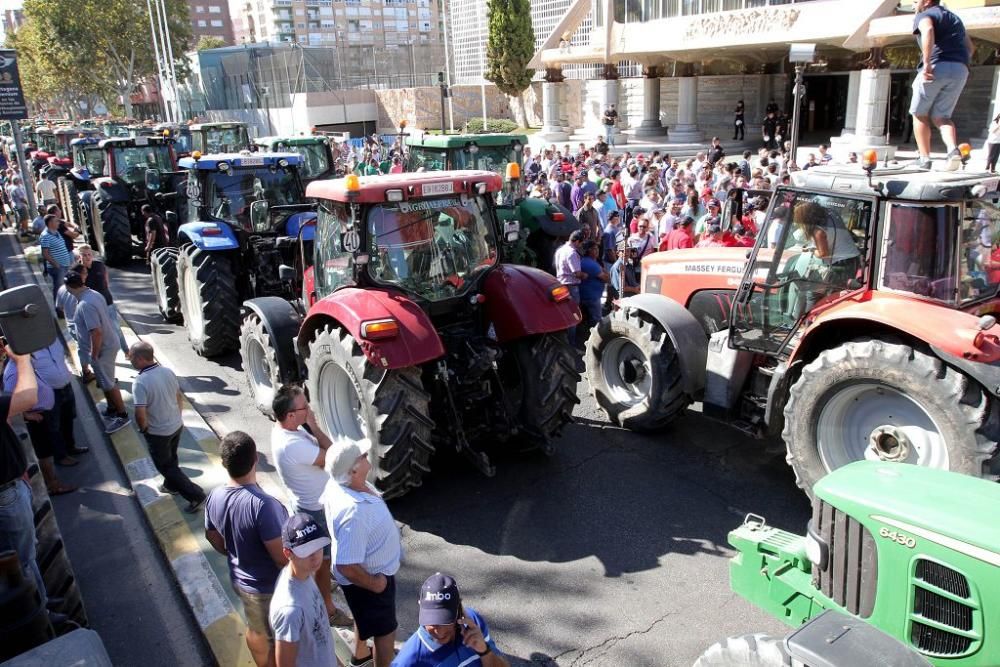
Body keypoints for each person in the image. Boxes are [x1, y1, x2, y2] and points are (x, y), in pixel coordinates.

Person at [271, 385, 353, 627]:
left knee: (319, 561)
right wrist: (315, 427)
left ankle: (322, 585)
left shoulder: (289, 431)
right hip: (315, 511)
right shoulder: (293, 444)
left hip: (308, 505)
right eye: (304, 407)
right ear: (290, 415)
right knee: (323, 560)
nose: (309, 410)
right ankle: (328, 610)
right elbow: (334, 457)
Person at [205, 431, 290, 667]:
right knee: (276, 640)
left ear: (224, 463)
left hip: (240, 581)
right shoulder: (264, 507)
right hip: (267, 588)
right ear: (255, 460)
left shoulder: (215, 497)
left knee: (257, 629)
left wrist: (236, 552)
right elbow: (282, 558)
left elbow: (212, 536)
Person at [322, 439, 401, 667]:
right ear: (353, 470)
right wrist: (376, 584)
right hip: (371, 581)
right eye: (362, 456)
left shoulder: (339, 483)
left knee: (363, 618)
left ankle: (360, 655)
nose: (367, 456)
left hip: (368, 578)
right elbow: (345, 565)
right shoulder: (353, 513)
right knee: (385, 633)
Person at [130, 341, 206, 513]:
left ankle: (196, 495)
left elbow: (140, 413)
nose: (129, 359)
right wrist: (177, 417)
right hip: (176, 425)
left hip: (158, 432)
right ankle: (171, 485)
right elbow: (178, 396)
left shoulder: (140, 382)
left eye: (131, 356)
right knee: (171, 459)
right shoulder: (167, 371)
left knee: (164, 466)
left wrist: (143, 428)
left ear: (141, 359)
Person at [0, 345, 49, 607]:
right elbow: (28, 396)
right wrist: (21, 360)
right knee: (24, 560)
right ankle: (39, 611)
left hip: (10, 486)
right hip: (5, 496)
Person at [390, 572, 509, 667]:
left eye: (445, 620)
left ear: (459, 610)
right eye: (432, 621)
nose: (439, 632)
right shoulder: (409, 660)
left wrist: (484, 651)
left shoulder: (474, 622)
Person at [2, 349, 76, 496]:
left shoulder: (25, 367)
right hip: (37, 420)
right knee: (44, 455)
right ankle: (53, 485)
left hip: (43, 416)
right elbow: (10, 400)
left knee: (48, 451)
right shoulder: (14, 371)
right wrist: (27, 415)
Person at [910, 0, 973, 171]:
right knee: (942, 116)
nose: (913, 3)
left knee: (919, 114)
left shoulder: (925, 14)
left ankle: (924, 159)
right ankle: (953, 151)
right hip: (960, 69)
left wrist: (927, 62)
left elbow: (928, 29)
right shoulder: (955, 19)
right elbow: (970, 47)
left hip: (936, 66)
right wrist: (961, 64)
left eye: (916, 0)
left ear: (927, 1)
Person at [270, 513, 338, 667]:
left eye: (318, 547)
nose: (315, 557)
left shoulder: (304, 573)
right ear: (288, 553)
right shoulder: (289, 611)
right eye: (306, 551)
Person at [65, 272, 130, 433]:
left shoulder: (85, 305)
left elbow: (96, 332)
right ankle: (112, 409)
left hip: (102, 349)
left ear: (69, 287)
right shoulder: (94, 294)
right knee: (104, 380)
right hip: (109, 343)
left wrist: (94, 355)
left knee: (108, 382)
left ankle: (122, 416)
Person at [77, 247, 129, 356]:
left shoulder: (99, 265)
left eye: (89, 254)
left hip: (107, 302)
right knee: (96, 331)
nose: (87, 257)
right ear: (79, 257)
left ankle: (127, 352)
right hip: (92, 306)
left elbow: (106, 279)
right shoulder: (78, 270)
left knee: (116, 328)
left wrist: (105, 288)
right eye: (84, 255)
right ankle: (99, 353)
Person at [554, 230, 586, 345]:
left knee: (563, 313)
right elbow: (577, 273)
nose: (581, 246)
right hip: (571, 287)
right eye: (581, 243)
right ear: (577, 241)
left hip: (561, 284)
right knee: (573, 314)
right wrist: (585, 275)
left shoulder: (560, 250)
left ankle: (562, 341)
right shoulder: (572, 253)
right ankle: (571, 342)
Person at [40, 215, 74, 308]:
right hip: (58, 268)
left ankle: (66, 306)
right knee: (59, 288)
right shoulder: (45, 236)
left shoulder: (56, 232)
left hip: (64, 265)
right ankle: (59, 309)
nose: (58, 223)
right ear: (50, 223)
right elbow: (45, 253)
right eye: (56, 221)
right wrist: (56, 265)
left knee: (67, 288)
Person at [578, 241, 607, 330]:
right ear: (588, 251)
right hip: (591, 298)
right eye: (594, 249)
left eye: (597, 248)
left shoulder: (589, 261)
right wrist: (605, 272)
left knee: (590, 319)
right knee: (597, 322)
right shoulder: (591, 264)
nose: (597, 250)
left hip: (588, 296)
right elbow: (607, 278)